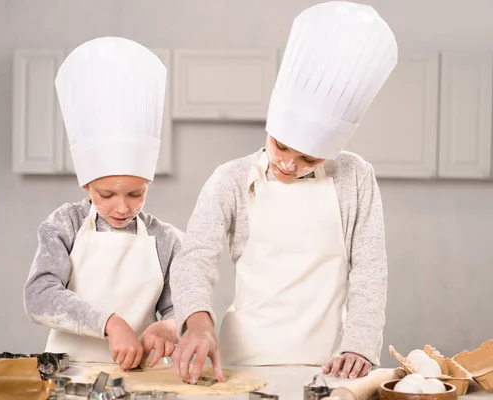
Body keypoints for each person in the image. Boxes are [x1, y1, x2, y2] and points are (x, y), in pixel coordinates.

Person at [169, 0, 398, 384]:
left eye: (309, 158)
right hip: (241, 364)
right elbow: (195, 258)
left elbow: (370, 269)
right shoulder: (230, 179)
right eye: (280, 146)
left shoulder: (355, 177)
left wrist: (359, 344)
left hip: (326, 367)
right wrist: (197, 323)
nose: (289, 163)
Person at [23, 37, 182, 371]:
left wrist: (168, 326)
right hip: (69, 373)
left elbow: (178, 307)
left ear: (149, 183)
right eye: (107, 195)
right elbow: (38, 296)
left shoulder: (166, 240)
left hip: (141, 377)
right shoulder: (64, 224)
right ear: (86, 184)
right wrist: (110, 323)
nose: (122, 208)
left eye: (136, 194)